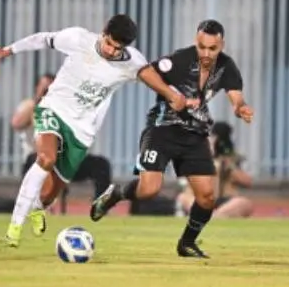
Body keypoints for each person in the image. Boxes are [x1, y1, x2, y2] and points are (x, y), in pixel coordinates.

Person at [0, 14, 198, 247]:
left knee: (49, 194)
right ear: (103, 32)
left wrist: (175, 97)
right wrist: (7, 50)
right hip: (54, 109)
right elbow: (44, 39)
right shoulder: (77, 39)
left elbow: (151, 77)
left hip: (82, 130)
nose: (111, 51)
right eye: (108, 43)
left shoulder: (132, 62)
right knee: (45, 158)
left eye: (118, 48)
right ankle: (13, 230)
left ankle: (38, 207)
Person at [90, 19, 254, 259]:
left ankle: (187, 243)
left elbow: (235, 96)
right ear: (196, 42)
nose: (206, 53)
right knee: (149, 190)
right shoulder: (179, 60)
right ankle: (115, 194)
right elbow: (146, 73)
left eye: (212, 48)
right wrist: (170, 94)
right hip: (162, 129)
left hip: (195, 133)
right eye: (202, 46)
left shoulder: (227, 67)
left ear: (222, 45)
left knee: (207, 197)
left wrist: (241, 107)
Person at [12, 73, 114, 217]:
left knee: (101, 164)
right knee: (33, 160)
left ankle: (100, 210)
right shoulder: (29, 105)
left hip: (66, 157)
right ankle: (28, 207)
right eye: (45, 87)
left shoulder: (68, 106)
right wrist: (38, 100)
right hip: (40, 159)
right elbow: (16, 123)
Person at [176, 121, 254, 218]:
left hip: (225, 201)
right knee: (183, 198)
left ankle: (214, 216)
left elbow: (248, 182)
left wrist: (230, 165)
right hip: (202, 200)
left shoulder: (235, 159)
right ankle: (208, 215)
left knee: (244, 203)